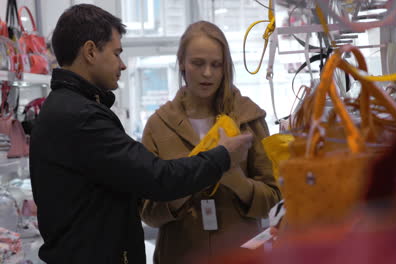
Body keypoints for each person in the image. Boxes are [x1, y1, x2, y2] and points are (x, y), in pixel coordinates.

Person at [29, 5, 253, 264]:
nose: (123, 65)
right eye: (116, 53)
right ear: (90, 51)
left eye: (216, 64)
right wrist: (223, 156)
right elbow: (157, 178)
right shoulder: (83, 117)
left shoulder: (69, 108)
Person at [140, 21, 281, 264]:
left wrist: (238, 183)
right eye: (198, 63)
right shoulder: (158, 125)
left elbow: (274, 199)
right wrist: (186, 181)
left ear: (226, 68)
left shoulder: (248, 118)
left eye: (216, 65)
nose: (208, 73)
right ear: (182, 63)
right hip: (181, 256)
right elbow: (147, 212)